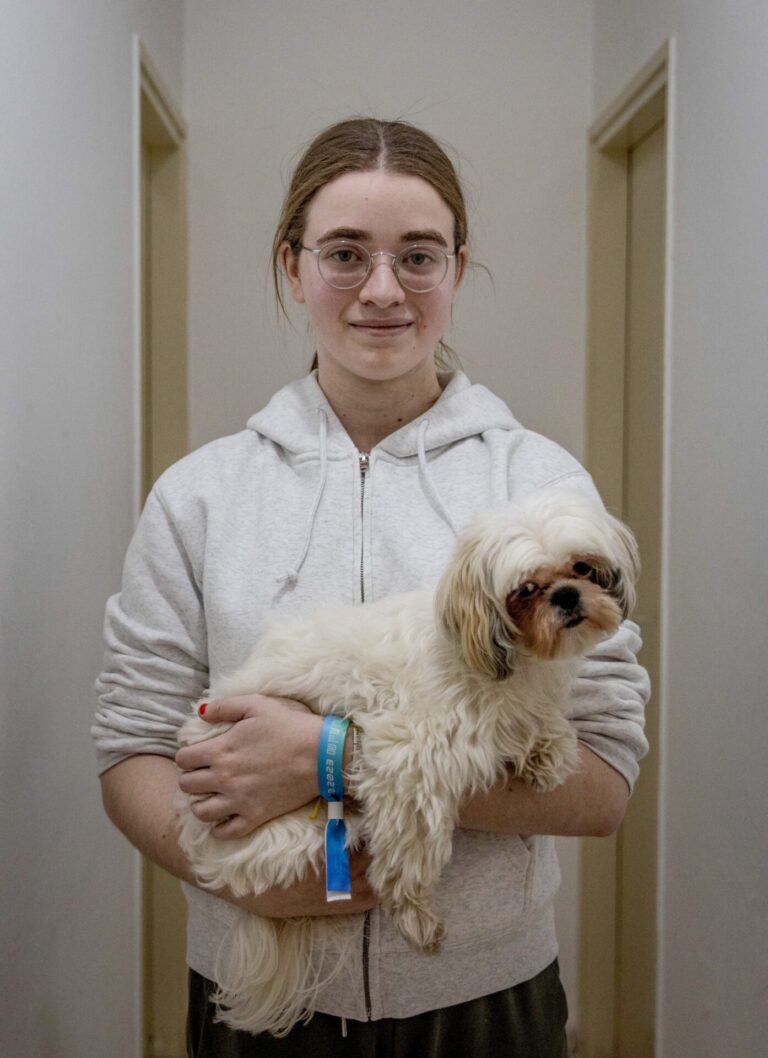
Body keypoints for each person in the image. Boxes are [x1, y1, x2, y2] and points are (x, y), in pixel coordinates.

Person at [93, 117, 649, 1058]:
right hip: (255, 994)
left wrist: (335, 757)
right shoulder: (198, 497)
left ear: (458, 271)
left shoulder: (544, 490)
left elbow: (600, 787)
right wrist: (243, 878)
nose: (384, 290)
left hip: (483, 998)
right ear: (291, 265)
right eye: (345, 253)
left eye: (419, 257)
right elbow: (129, 749)